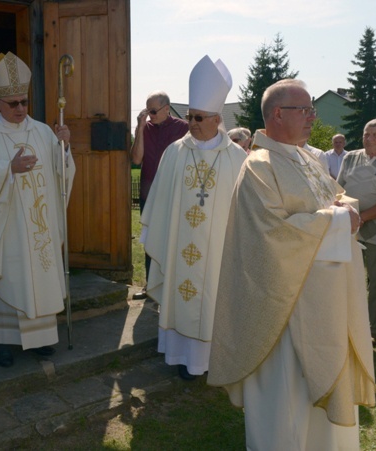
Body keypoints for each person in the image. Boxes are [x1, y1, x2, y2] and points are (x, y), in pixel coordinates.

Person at [208, 79, 375, 450]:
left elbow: (334, 195)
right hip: (283, 307)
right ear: (279, 114)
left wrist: (344, 207)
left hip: (324, 302)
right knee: (286, 400)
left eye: (313, 109)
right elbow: (272, 232)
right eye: (306, 110)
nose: (314, 117)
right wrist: (336, 220)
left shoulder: (307, 157)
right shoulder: (259, 166)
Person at [0, 52, 75, 368]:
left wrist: (64, 148)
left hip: (38, 225)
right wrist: (6, 169)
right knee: (8, 276)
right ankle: (2, 343)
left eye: (24, 102)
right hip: (6, 226)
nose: (21, 109)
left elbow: (60, 172)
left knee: (37, 274)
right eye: (13, 104)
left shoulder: (41, 131)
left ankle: (40, 339)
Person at [141, 55, 246, 380]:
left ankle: (209, 360)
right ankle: (178, 356)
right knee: (181, 297)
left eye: (199, 117)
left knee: (213, 299)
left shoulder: (236, 158)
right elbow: (159, 201)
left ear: (217, 118)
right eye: (189, 116)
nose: (192, 123)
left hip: (217, 251)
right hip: (180, 245)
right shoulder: (175, 152)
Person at [337, 119, 376, 347]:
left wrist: (363, 218)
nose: (369, 139)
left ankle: (375, 329)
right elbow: (339, 189)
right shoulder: (350, 157)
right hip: (349, 229)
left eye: (375, 135)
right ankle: (345, 322)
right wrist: (348, 214)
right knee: (346, 276)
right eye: (366, 134)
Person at [130, 91, 188, 300]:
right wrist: (140, 127)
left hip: (174, 194)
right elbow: (136, 159)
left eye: (153, 111)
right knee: (150, 240)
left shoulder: (184, 128)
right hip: (149, 193)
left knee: (173, 239)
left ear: (166, 109)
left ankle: (172, 287)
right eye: (147, 111)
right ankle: (150, 286)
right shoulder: (146, 129)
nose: (150, 115)